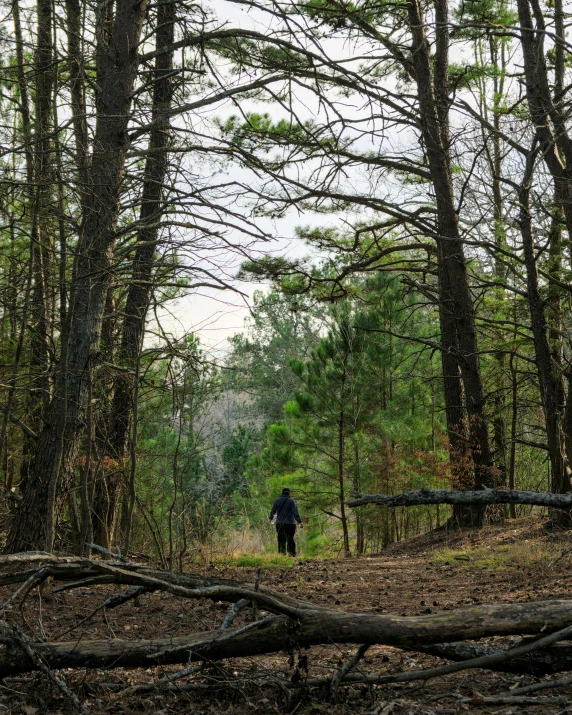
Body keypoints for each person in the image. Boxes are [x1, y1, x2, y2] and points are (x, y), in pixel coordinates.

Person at [269, 488, 303, 556]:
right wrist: (300, 521)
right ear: (289, 493)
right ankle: (292, 554)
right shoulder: (291, 501)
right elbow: (295, 512)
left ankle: (282, 555)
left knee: (281, 540)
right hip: (291, 523)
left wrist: (271, 518)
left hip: (280, 523)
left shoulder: (277, 501)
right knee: (290, 539)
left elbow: (272, 512)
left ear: (282, 493)